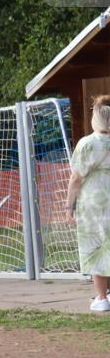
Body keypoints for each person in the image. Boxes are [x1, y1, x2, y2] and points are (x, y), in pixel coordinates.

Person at [67, 94, 110, 312]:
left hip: (93, 202)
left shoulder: (87, 144)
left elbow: (76, 178)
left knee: (96, 247)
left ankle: (101, 298)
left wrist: (69, 206)